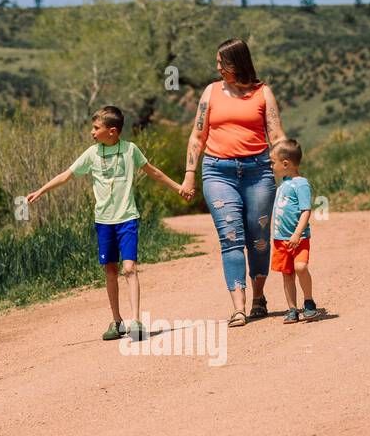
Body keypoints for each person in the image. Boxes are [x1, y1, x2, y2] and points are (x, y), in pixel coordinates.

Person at [27, 106, 185, 341]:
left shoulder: (130, 150)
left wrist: (179, 188)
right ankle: (117, 321)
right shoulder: (92, 154)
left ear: (112, 131)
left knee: (129, 268)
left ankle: (136, 321)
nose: (92, 132)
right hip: (103, 221)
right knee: (110, 270)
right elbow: (66, 175)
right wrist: (41, 190)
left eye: (96, 128)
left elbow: (153, 172)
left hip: (127, 218)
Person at [181, 38, 286, 328]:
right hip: (218, 171)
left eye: (221, 62)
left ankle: (258, 297)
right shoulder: (211, 92)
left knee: (259, 238)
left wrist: (290, 173)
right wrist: (190, 173)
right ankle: (238, 307)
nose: (217, 67)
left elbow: (276, 135)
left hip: (258, 171)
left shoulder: (263, 93)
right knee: (231, 237)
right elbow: (197, 135)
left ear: (236, 63)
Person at [268, 138, 320, 323]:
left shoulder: (301, 184)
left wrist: (297, 233)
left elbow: (306, 210)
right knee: (287, 274)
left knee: (300, 267)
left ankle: (309, 301)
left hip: (299, 238)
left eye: (272, 162)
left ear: (285, 163)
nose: (271, 166)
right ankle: (292, 309)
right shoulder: (284, 183)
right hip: (280, 239)